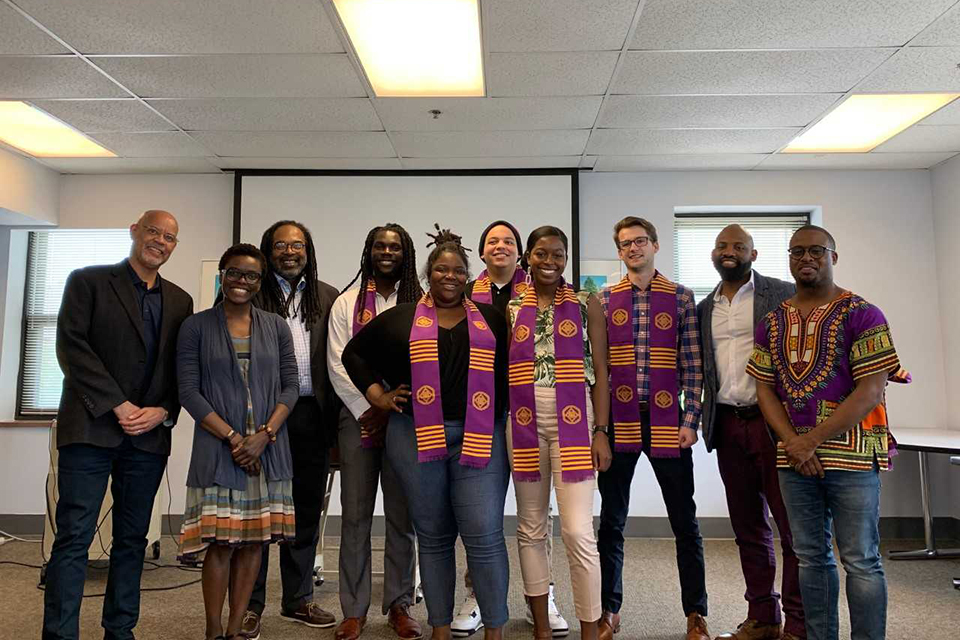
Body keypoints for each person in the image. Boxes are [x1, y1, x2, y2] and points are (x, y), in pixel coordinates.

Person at [342, 226, 511, 640]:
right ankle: (438, 626)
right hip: (415, 437)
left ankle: (495, 628)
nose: (449, 276)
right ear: (428, 274)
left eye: (457, 270)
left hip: (480, 438)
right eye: (440, 269)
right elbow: (354, 355)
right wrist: (378, 396)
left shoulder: (491, 318)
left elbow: (511, 371)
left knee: (484, 534)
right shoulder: (400, 319)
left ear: (467, 275)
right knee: (433, 537)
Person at [747, 225, 906, 640]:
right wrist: (791, 443)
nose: (806, 258)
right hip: (793, 461)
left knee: (861, 560)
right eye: (797, 251)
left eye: (817, 250)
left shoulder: (863, 313)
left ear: (834, 257)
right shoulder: (772, 321)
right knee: (810, 558)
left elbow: (871, 390)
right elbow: (764, 387)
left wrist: (809, 440)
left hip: (852, 458)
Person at [42, 210, 193, 640]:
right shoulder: (87, 281)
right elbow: (72, 349)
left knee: (132, 541)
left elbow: (178, 369)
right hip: (90, 430)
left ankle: (120, 630)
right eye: (153, 231)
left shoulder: (180, 300)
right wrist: (118, 405)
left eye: (169, 237)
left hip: (147, 439)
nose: (159, 241)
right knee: (74, 538)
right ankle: (59, 634)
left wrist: (163, 410)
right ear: (134, 232)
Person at [177, 244, 298, 640]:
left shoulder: (276, 326)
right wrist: (234, 439)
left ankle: (235, 628)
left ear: (260, 282)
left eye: (251, 276)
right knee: (219, 544)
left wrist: (264, 436)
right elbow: (189, 392)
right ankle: (212, 630)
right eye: (234, 273)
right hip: (218, 450)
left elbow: (291, 386)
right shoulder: (196, 326)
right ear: (222, 275)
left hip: (268, 451)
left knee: (253, 544)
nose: (241, 282)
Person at [596, 216, 710, 640]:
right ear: (619, 250)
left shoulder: (680, 297)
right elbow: (599, 370)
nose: (633, 249)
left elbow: (693, 363)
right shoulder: (605, 299)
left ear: (655, 245)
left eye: (640, 241)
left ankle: (695, 614)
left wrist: (690, 419)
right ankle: (610, 610)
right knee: (612, 522)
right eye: (624, 243)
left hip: (667, 421)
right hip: (621, 420)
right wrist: (599, 428)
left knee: (685, 522)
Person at [459, 221, 570, 638]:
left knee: (537, 517)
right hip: (483, 422)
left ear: (520, 252)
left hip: (533, 419)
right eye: (493, 241)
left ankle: (543, 595)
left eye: (509, 241)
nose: (501, 246)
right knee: (481, 517)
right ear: (483, 252)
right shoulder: (467, 294)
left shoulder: (546, 294)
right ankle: (477, 595)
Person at [696, 225, 803, 640]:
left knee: (793, 529)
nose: (729, 251)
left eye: (738, 246)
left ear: (753, 255)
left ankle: (798, 623)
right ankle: (763, 617)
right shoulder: (705, 307)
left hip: (775, 425)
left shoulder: (784, 294)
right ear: (712, 253)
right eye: (722, 245)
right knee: (748, 528)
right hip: (727, 425)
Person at [506, 226, 611, 640]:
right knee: (530, 526)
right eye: (541, 254)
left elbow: (601, 371)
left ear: (567, 258)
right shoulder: (513, 306)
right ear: (528, 258)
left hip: (576, 419)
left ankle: (589, 629)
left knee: (577, 530)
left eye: (558, 255)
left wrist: (601, 431)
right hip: (524, 420)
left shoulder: (588, 303)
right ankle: (542, 629)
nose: (550, 262)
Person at [241, 221, 341, 639]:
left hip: (311, 415)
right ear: (267, 250)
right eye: (280, 245)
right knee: (259, 512)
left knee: (303, 511)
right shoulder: (249, 291)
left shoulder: (327, 295)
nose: (289, 251)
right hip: (262, 418)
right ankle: (250, 605)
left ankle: (298, 598)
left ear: (308, 250)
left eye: (297, 245)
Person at [327, 224, 424, 640]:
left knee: (402, 517)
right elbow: (337, 363)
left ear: (407, 254)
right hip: (358, 418)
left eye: (395, 247)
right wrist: (371, 406)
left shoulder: (422, 304)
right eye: (380, 246)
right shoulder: (346, 303)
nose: (387, 252)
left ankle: (400, 604)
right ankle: (354, 609)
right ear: (368, 251)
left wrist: (393, 407)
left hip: (408, 418)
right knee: (355, 516)